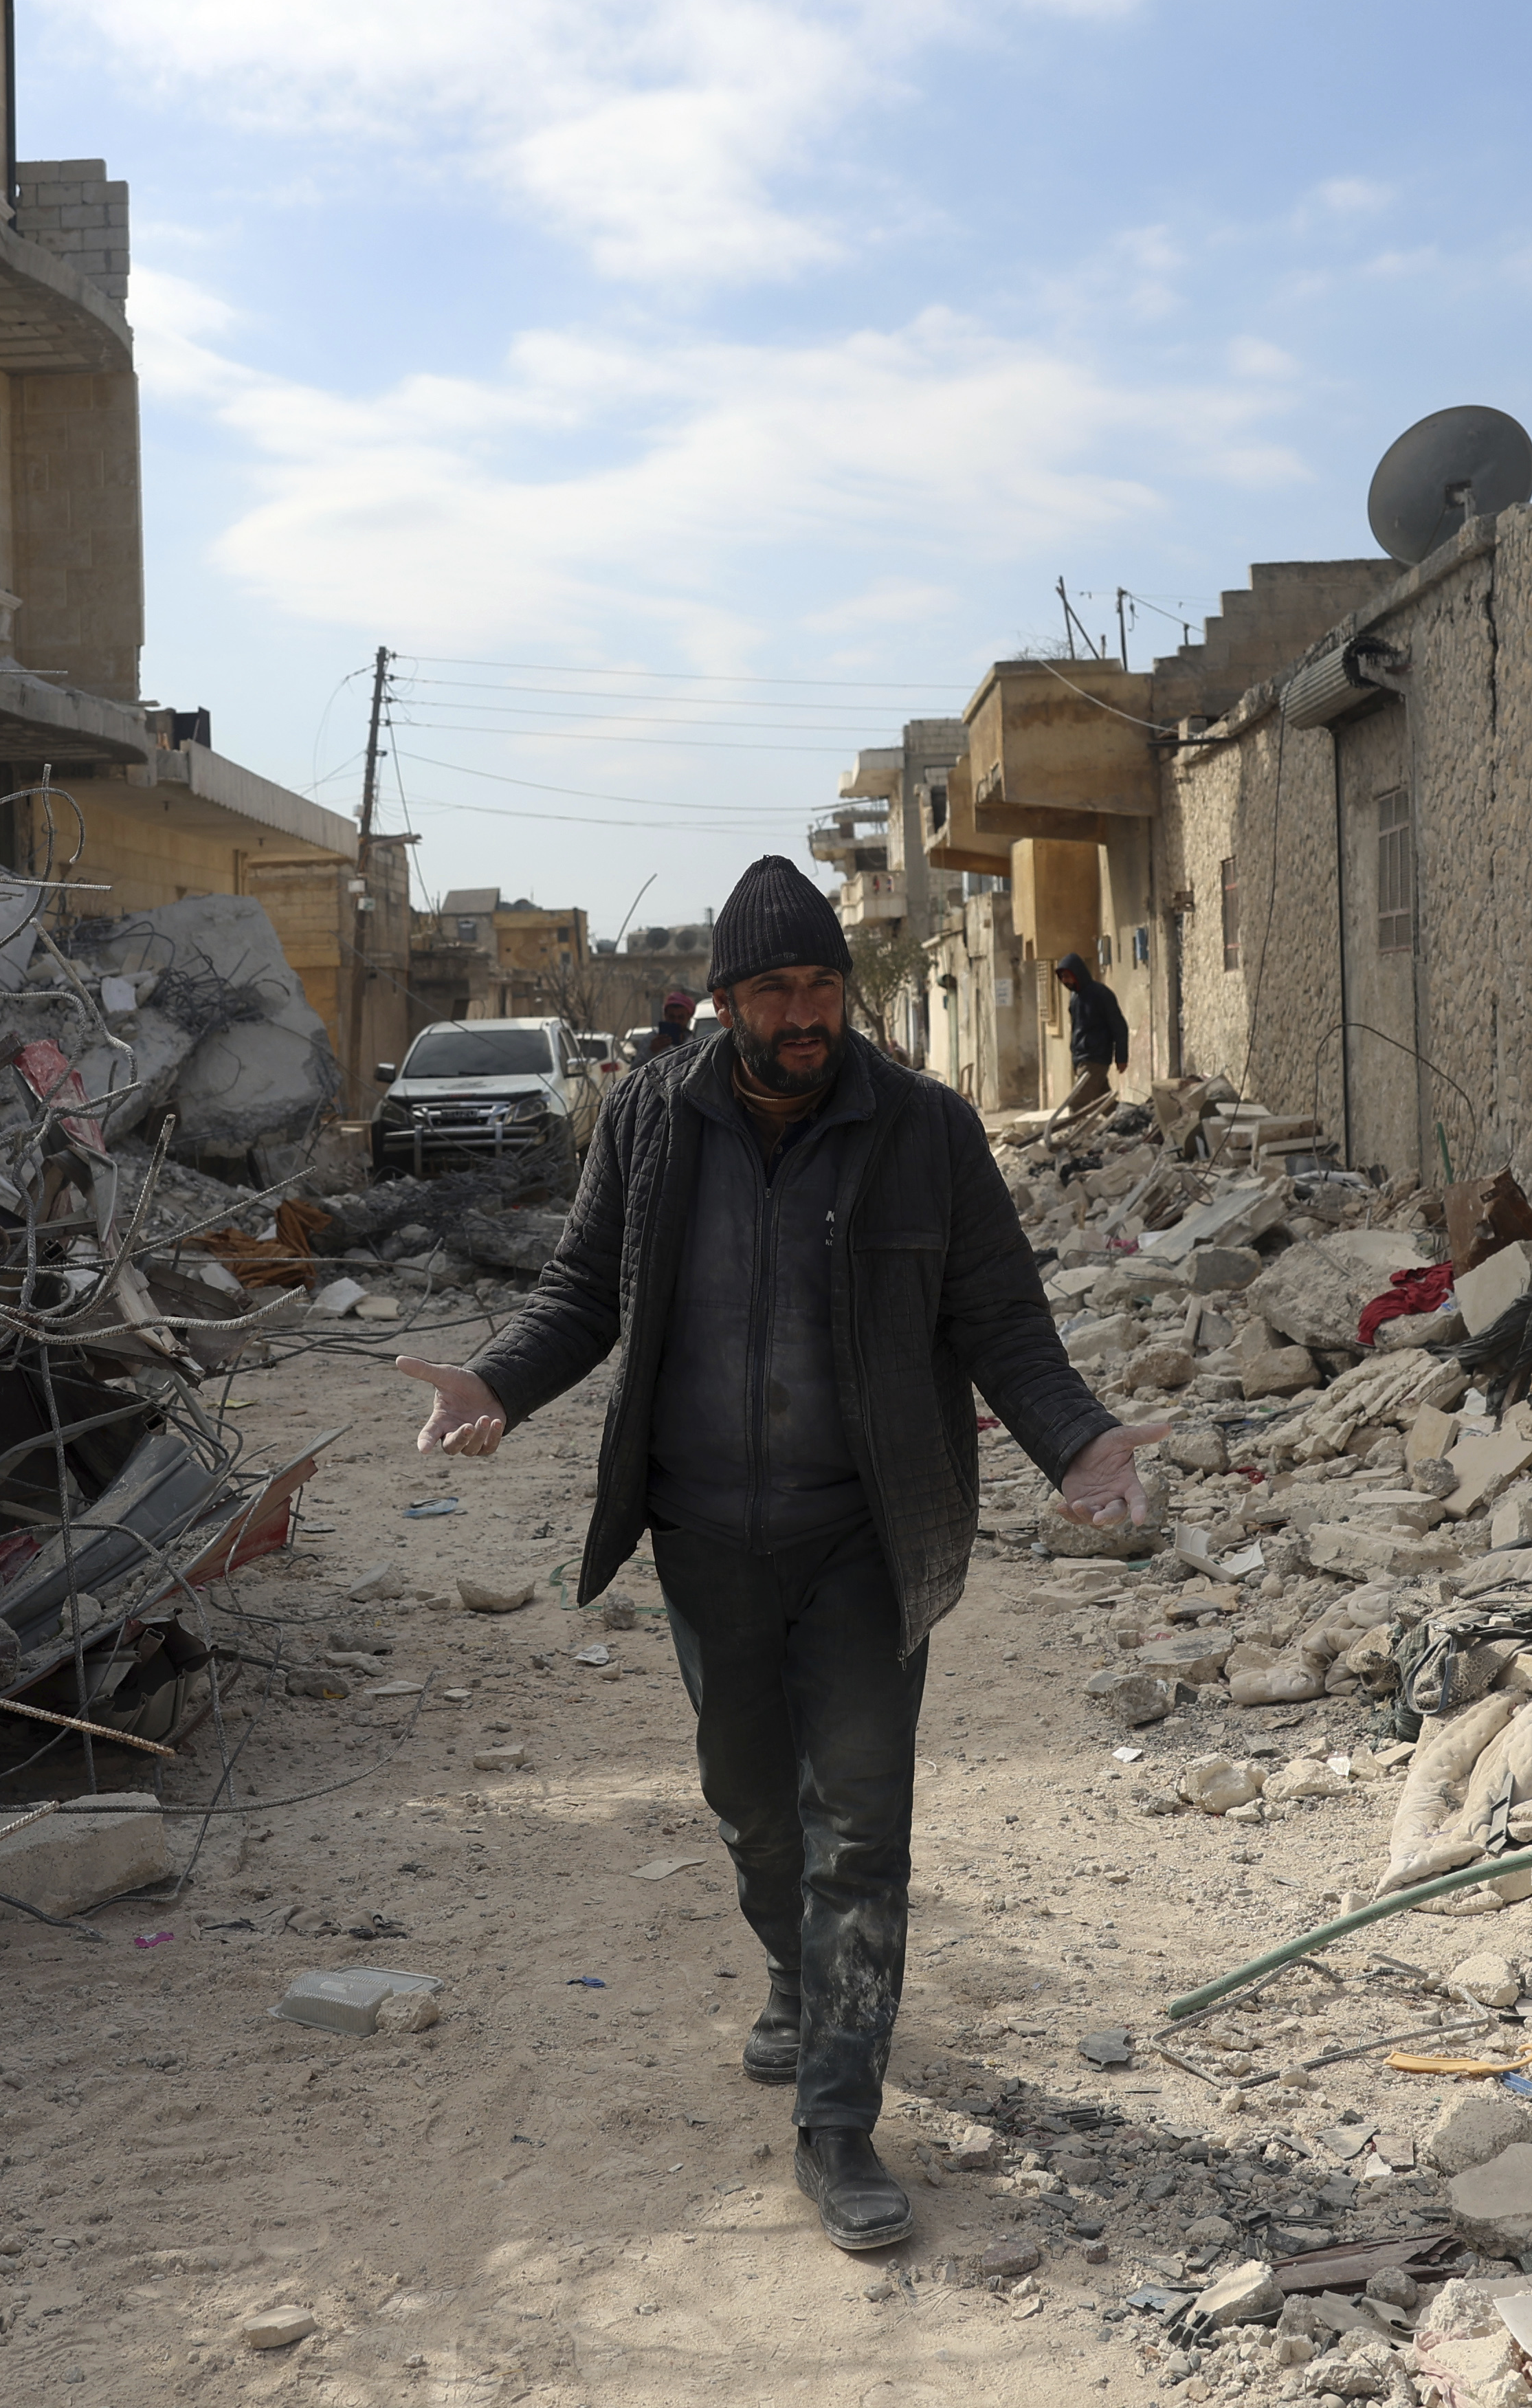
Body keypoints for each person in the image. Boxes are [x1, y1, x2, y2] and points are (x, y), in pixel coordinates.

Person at [394, 857, 1166, 2253]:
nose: (803, 1013)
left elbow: (1004, 1322)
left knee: (859, 1822)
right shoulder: (649, 1116)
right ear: (726, 1004)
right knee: (752, 1802)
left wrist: (1084, 1442)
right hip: (703, 1532)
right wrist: (502, 1383)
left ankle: (838, 2119)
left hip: (867, 1533)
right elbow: (584, 1291)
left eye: (821, 985)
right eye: (774, 990)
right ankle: (799, 1979)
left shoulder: (924, 1129)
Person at [1053, 951, 1130, 1120]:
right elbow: (1076, 1032)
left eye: (1067, 976)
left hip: (1096, 1058)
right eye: (1062, 978)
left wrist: (1122, 1056)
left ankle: (1074, 1145)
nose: (1065, 981)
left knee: (1077, 1104)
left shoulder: (1100, 994)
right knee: (1105, 1104)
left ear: (1076, 973)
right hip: (1083, 1059)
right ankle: (1132, 1123)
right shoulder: (1075, 998)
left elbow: (1119, 1027)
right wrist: (1075, 1062)